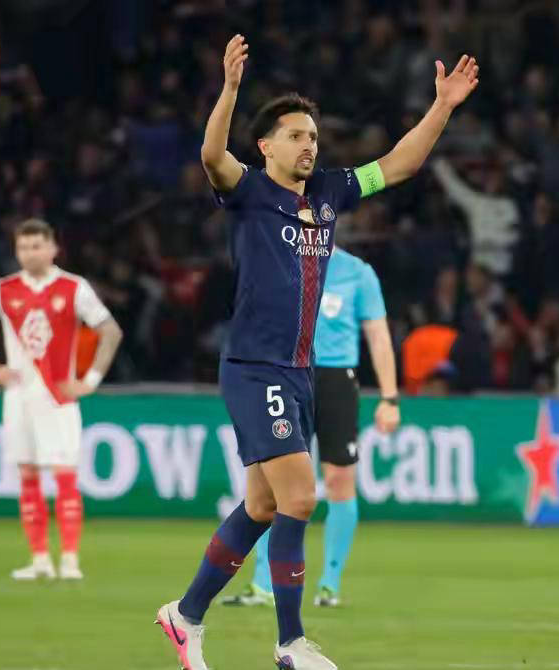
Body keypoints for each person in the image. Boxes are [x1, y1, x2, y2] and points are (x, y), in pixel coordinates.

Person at [153, 34, 478, 670]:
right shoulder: (247, 191)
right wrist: (229, 88)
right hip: (256, 368)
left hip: (299, 373)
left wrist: (442, 106)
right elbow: (211, 154)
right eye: (296, 136)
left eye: (314, 137)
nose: (309, 146)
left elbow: (399, 165)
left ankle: (185, 615)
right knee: (301, 498)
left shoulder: (330, 193)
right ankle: (291, 643)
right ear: (267, 146)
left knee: (262, 505)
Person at [221, 246, 400, 609]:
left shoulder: (358, 272)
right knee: (272, 482)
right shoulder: (278, 262)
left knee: (338, 480)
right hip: (286, 375)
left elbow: (379, 335)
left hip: (335, 380)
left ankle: (329, 584)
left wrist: (390, 397)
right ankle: (262, 584)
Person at [0, 218, 123, 580]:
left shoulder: (73, 287)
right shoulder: (4, 289)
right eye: (23, 247)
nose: (29, 253)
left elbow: (110, 331)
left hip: (58, 398)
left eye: (36, 246)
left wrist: (90, 380)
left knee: (65, 476)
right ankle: (40, 560)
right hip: (18, 398)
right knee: (27, 475)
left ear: (53, 248)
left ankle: (70, 560)